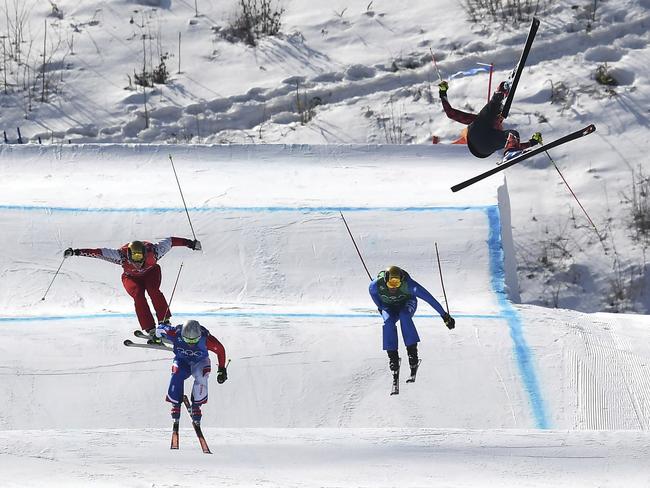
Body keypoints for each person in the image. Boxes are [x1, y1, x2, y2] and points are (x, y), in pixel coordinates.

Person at [63, 237, 201, 338]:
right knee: (138, 296)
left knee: (153, 291)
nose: (138, 265)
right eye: (134, 262)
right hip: (131, 277)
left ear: (145, 255)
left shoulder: (155, 251)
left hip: (151, 273)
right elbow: (97, 253)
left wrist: (191, 244)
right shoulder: (120, 256)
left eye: (140, 261)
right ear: (128, 256)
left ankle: (164, 321)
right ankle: (150, 328)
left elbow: (171, 241)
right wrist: (75, 252)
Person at [369, 266, 455, 378]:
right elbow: (374, 295)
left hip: (406, 304)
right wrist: (381, 307)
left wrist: (444, 316)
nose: (394, 288)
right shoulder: (375, 286)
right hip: (389, 307)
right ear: (385, 281)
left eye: (397, 284)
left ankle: (412, 353)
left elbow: (429, 298)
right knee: (388, 322)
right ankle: (393, 357)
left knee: (404, 315)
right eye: (391, 284)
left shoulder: (409, 285)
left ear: (402, 281)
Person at [438, 79, 543, 158]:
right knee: (485, 118)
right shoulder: (481, 121)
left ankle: (510, 153)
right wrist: (443, 93)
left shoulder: (497, 132)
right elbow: (451, 114)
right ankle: (499, 95)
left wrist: (533, 142)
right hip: (476, 138)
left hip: (485, 148)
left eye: (499, 120)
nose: (499, 122)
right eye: (498, 119)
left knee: (513, 135)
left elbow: (516, 144)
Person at [156, 319, 227, 424]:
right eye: (187, 340)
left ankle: (197, 405)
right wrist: (157, 336)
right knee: (176, 374)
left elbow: (220, 350)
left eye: (194, 341)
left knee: (202, 376)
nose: (191, 343)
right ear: (182, 335)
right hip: (182, 360)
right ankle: (175, 403)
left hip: (200, 361)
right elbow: (160, 329)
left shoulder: (207, 339)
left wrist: (222, 369)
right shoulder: (174, 333)